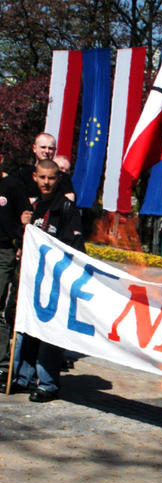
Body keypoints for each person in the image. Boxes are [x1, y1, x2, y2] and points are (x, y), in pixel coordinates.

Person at [13, 159, 84, 402]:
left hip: (56, 285)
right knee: (27, 330)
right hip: (33, 282)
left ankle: (48, 384)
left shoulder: (66, 208)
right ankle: (23, 377)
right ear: (34, 177)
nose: (46, 182)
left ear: (58, 178)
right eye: (42, 177)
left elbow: (76, 249)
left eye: (51, 178)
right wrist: (24, 226)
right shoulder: (35, 208)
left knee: (49, 335)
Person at [0, 158, 31, 388]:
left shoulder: (12, 185)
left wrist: (21, 244)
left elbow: (25, 216)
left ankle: (2, 365)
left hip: (4, 251)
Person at [14, 133, 75, 203]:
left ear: (55, 150)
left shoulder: (63, 178)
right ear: (34, 148)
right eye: (43, 147)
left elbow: (69, 200)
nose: (46, 151)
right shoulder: (22, 175)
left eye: (51, 148)